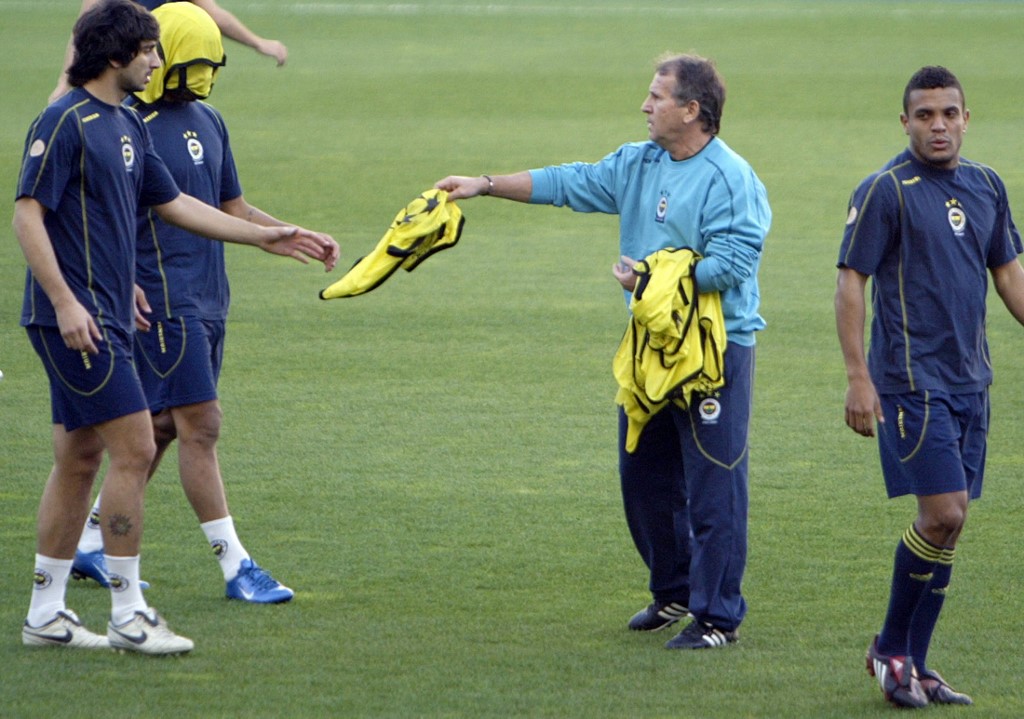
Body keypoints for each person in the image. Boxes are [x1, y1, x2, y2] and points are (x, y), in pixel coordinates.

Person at [15, 0, 335, 654]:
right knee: (136, 446)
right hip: (78, 317)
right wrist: (68, 302)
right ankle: (130, 611)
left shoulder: (126, 123)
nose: (158, 62)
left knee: (79, 458)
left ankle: (46, 609)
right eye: (149, 51)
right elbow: (27, 216)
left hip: (107, 307)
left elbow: (178, 204)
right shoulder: (65, 120)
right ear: (116, 56)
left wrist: (266, 235)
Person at [435, 53, 770, 650]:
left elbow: (735, 264)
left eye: (657, 97)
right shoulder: (639, 162)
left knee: (715, 486)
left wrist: (651, 277)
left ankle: (718, 617)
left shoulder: (730, 178)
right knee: (643, 477)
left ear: (692, 110)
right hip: (648, 347)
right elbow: (571, 182)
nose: (645, 106)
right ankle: (673, 592)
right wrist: (484, 185)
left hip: (712, 352)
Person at [835, 65, 1024, 708]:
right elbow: (851, 283)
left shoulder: (987, 185)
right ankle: (890, 648)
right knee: (942, 513)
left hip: (974, 383)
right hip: (911, 384)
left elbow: (1009, 275)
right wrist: (859, 378)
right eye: (925, 115)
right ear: (906, 122)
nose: (938, 125)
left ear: (967, 118)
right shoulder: (886, 189)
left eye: (949, 113)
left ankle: (914, 662)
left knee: (952, 526)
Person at [50, 0, 288, 103]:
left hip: (160, 77)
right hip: (124, 76)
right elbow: (84, 29)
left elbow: (213, 15)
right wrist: (65, 81)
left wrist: (258, 43)